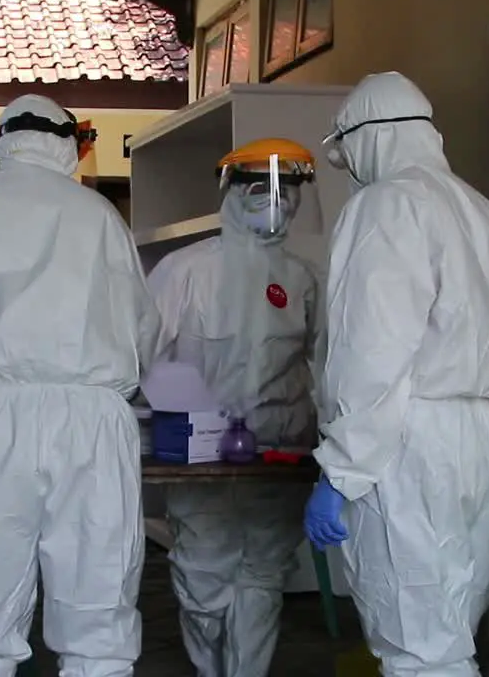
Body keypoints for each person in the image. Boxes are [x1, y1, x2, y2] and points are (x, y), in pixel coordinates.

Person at [0, 94, 162, 677]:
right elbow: (143, 329)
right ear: (71, 144)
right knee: (97, 609)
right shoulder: (99, 217)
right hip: (91, 420)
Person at [304, 72, 489, 677]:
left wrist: (340, 471)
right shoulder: (483, 212)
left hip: (409, 440)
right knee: (451, 625)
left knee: (413, 639)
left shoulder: (384, 205)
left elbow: (371, 354)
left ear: (366, 140)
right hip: (482, 438)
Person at [147, 138, 322, 677]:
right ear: (234, 194)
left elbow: (321, 360)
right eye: (265, 189)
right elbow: (141, 357)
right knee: (204, 576)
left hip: (279, 454)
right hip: (203, 458)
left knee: (263, 577)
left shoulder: (301, 278)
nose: (279, 202)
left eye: (290, 193)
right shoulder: (184, 271)